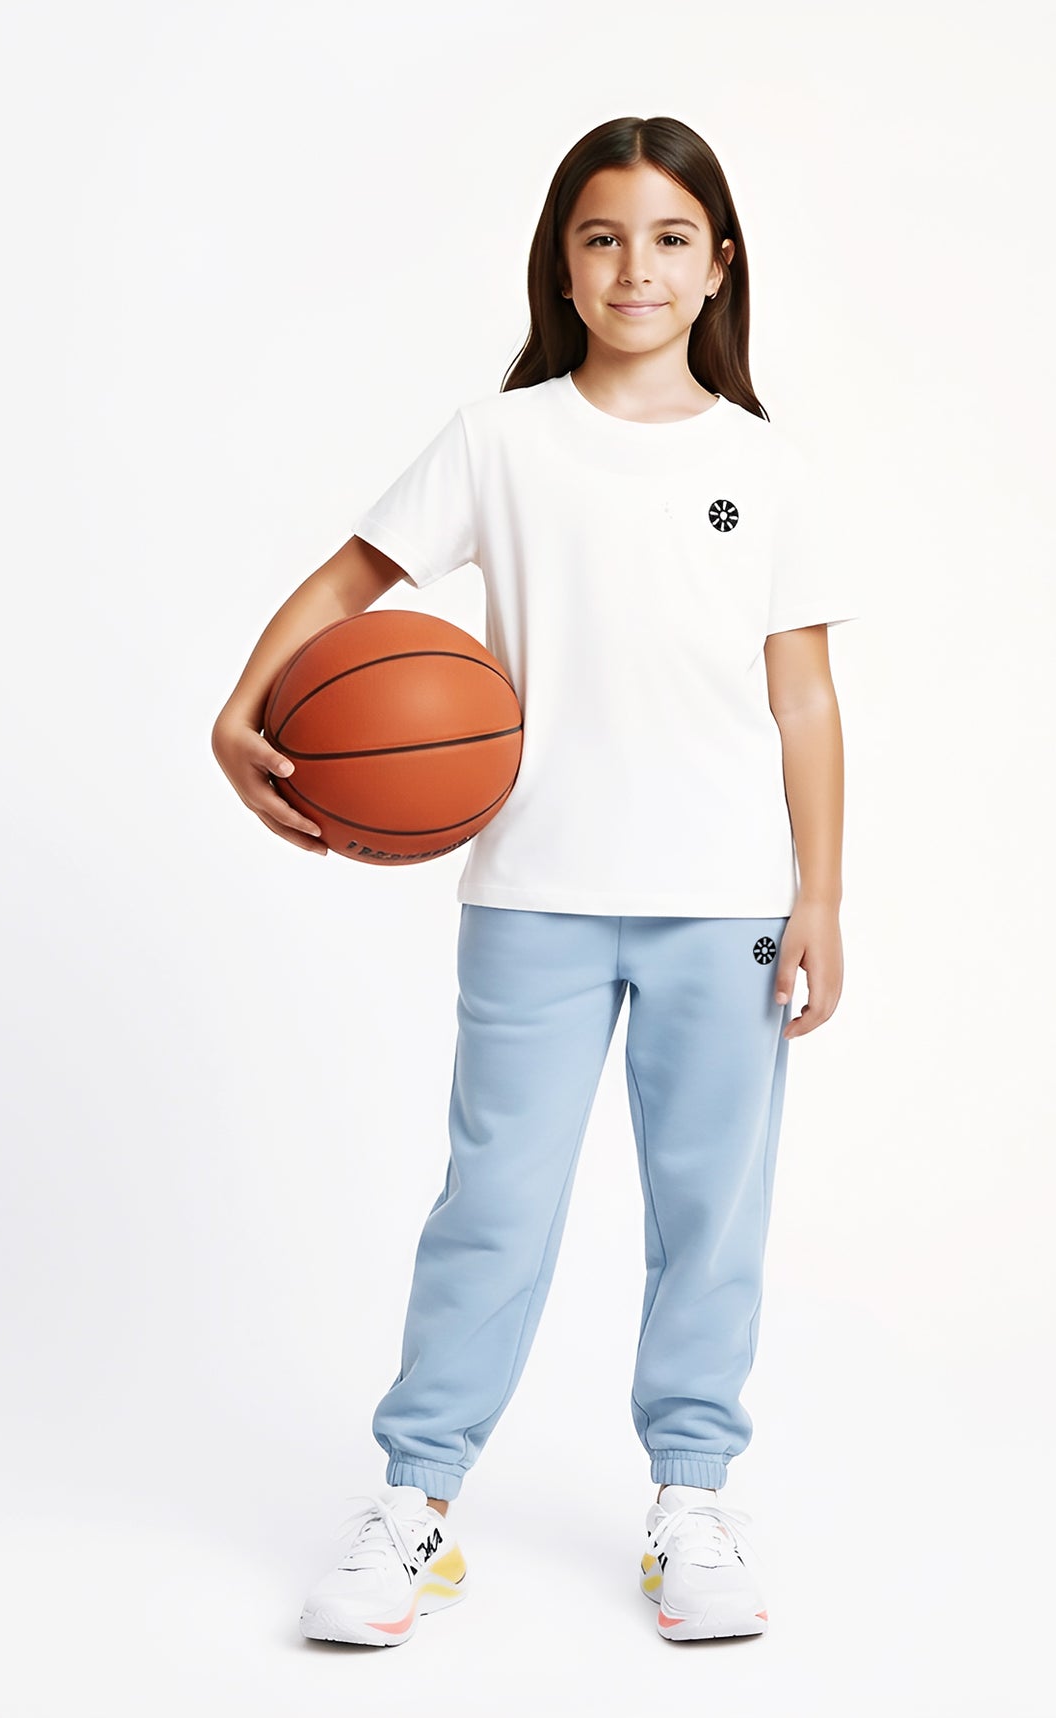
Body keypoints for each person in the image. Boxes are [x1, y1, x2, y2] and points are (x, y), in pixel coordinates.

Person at [212, 114, 857, 1648]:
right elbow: (351, 577)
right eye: (601, 235)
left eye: (668, 238)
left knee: (711, 1210)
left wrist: (819, 895)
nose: (635, 265)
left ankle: (691, 1497)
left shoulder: (764, 467)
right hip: (532, 896)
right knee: (492, 1203)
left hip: (724, 902)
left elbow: (806, 697)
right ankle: (418, 1502)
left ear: (718, 267)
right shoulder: (501, 438)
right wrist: (241, 705)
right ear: (561, 265)